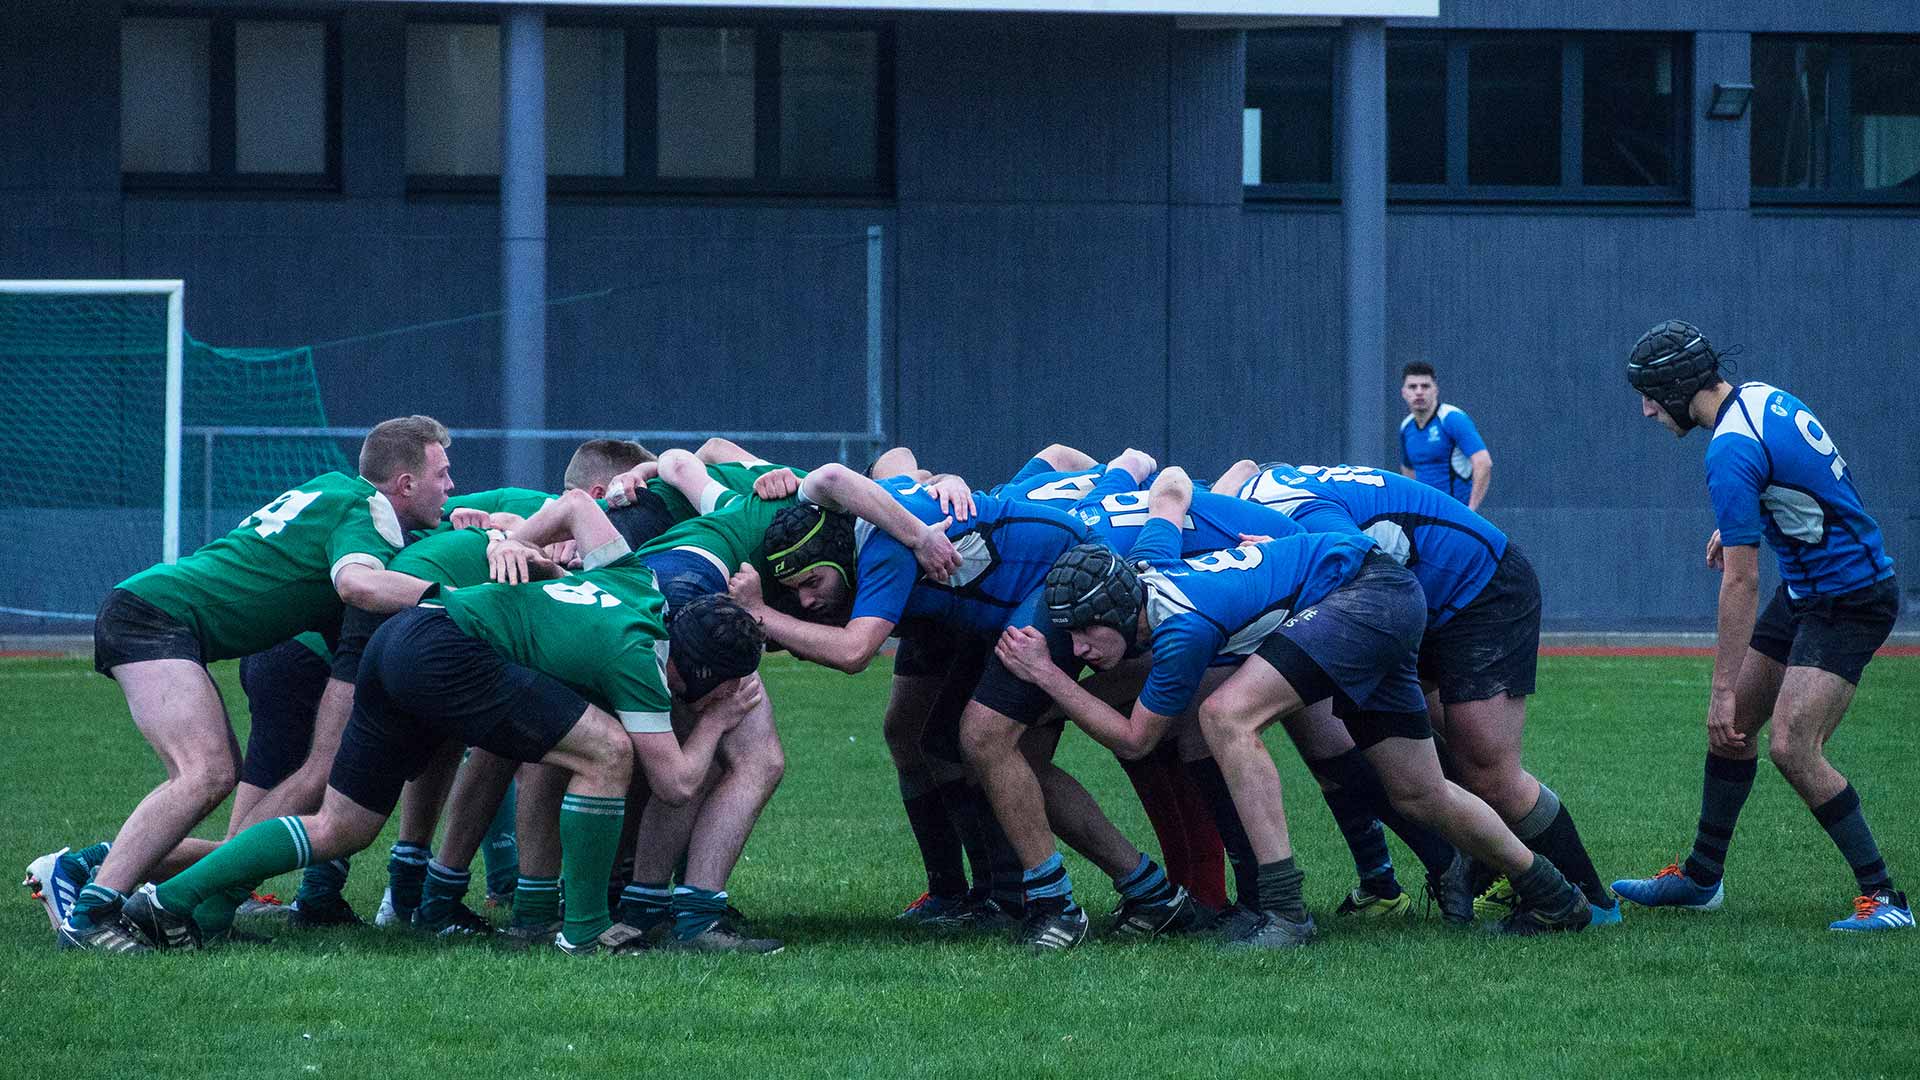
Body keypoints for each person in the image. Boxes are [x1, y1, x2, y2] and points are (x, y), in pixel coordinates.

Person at [119, 507, 767, 957]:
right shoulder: (641, 660)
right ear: (703, 673)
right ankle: (586, 929)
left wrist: (522, 542)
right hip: (445, 648)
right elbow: (678, 784)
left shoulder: (634, 581)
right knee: (608, 751)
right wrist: (714, 721)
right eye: (717, 686)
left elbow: (575, 506)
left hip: (402, 635)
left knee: (341, 827)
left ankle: (176, 902)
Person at [1011, 466, 1591, 946]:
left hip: (1363, 591)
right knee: (1419, 791)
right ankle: (1553, 895)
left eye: (1085, 633)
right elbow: (1172, 483)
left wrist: (1047, 680)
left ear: (1117, 614)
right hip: (1379, 591)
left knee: (1225, 716)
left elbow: (1136, 738)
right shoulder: (1149, 565)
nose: (1079, 649)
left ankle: (1286, 911)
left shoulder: (1179, 628)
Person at [732, 475, 1198, 950]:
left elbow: (855, 652)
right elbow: (878, 468)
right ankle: (1120, 892)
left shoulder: (883, 547)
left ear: (840, 555)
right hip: (996, 606)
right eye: (797, 589)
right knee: (937, 741)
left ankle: (1052, 904)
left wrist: (760, 613)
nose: (808, 599)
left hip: (1053, 581)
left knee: (983, 737)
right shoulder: (860, 518)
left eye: (814, 581)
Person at [43, 415, 454, 952]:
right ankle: (91, 915)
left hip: (155, 611)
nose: (450, 486)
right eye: (442, 474)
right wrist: (452, 597)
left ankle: (99, 876)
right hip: (152, 616)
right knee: (207, 772)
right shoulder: (366, 510)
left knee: (219, 783)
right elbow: (356, 583)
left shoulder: (332, 489)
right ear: (404, 484)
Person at [1613, 320, 1908, 932]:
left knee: (1792, 746)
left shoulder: (1728, 450)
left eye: (1648, 395)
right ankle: (1701, 879)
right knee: (1734, 734)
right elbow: (1812, 483)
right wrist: (1749, 518)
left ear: (1674, 387)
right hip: (1810, 589)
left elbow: (1742, 583)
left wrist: (1720, 687)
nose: (1645, 411)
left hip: (1850, 599)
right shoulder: (1759, 399)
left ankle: (1887, 899)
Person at [1236, 461, 1616, 925]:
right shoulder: (1248, 495)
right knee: (1410, 770)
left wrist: (1285, 555)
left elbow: (1356, 557)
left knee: (1489, 772)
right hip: (1415, 600)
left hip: (1479, 588)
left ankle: (1590, 901)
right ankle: (1481, 869)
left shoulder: (1296, 511)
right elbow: (1243, 467)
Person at [1398, 362, 1491, 509]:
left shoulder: (1452, 419)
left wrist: (1470, 511)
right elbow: (1408, 472)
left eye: (1425, 386)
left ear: (1435, 390)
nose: (1419, 392)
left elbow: (1483, 462)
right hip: (1424, 516)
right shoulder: (1406, 427)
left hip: (1455, 515)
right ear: (1404, 392)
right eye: (1413, 387)